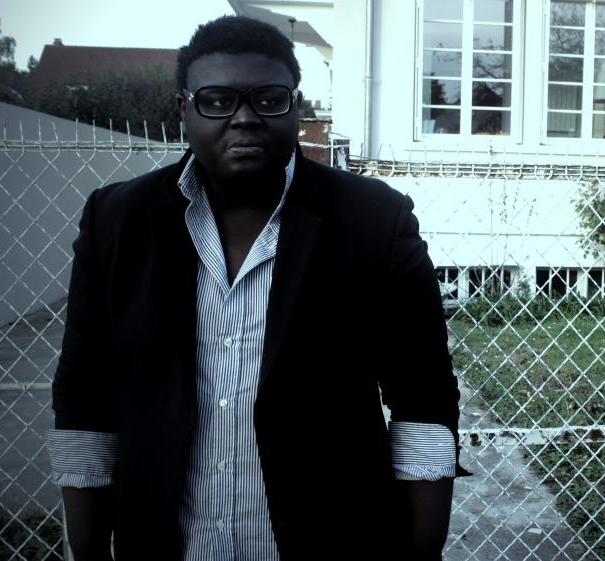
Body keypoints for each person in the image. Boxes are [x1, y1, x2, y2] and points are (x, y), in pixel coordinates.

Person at [47, 16, 465, 561]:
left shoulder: (374, 221)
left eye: (268, 99)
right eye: (217, 100)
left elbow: (423, 399)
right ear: (183, 109)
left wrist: (421, 553)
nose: (243, 117)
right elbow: (85, 398)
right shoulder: (116, 221)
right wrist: (88, 553)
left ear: (295, 107)